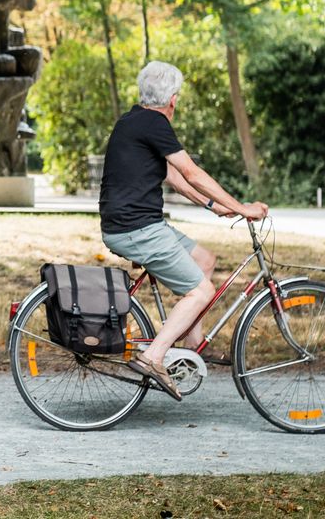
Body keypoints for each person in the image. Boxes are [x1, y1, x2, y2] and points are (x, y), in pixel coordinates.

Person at [99, 60, 267, 399]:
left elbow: (173, 176)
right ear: (173, 99)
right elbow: (192, 173)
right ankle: (154, 356)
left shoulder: (135, 120)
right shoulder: (154, 123)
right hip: (138, 228)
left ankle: (191, 352)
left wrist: (213, 207)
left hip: (138, 224)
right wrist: (241, 207)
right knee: (201, 292)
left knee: (204, 260)